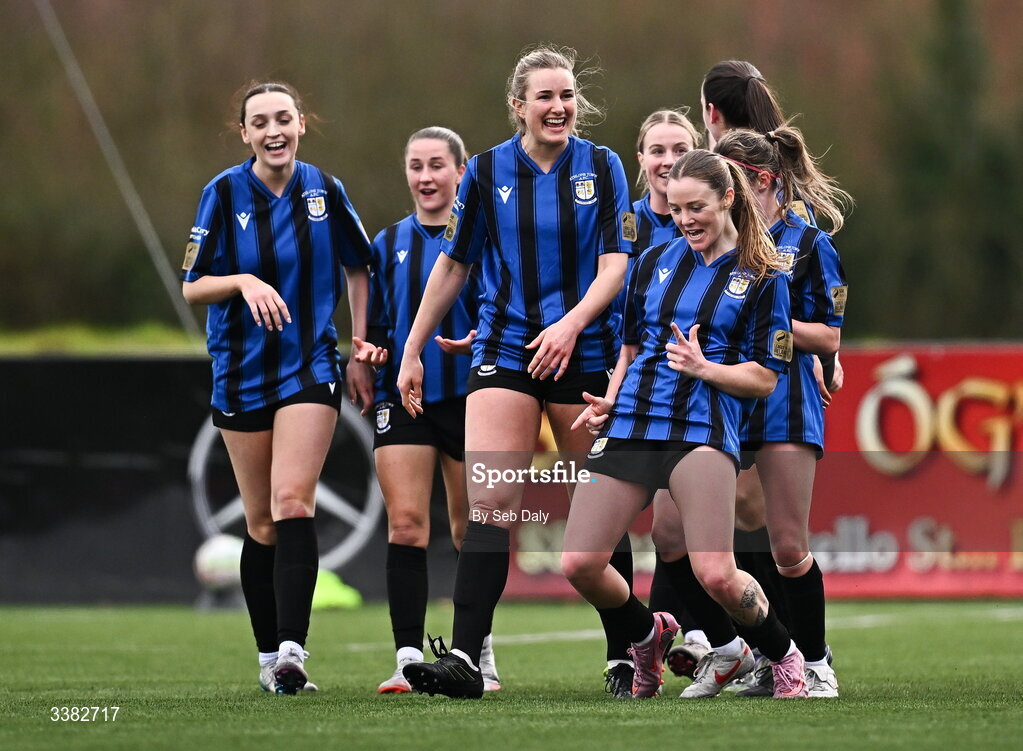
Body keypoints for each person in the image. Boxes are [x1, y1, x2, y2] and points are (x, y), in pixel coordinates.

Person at [395, 45, 633, 699]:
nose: (558, 107)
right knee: (491, 503)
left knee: (597, 504)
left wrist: (571, 322)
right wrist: (412, 347)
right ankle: (467, 659)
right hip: (503, 350)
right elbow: (453, 264)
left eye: (566, 96)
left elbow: (616, 265)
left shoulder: (603, 166)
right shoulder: (486, 171)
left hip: (581, 351)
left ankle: (624, 654)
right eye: (544, 97)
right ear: (517, 106)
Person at [562, 148, 809, 699]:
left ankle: (783, 654)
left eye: (696, 207)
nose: (686, 220)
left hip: (702, 428)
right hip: (631, 423)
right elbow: (631, 347)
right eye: (676, 210)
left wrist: (706, 368)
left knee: (716, 575)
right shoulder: (652, 261)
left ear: (727, 199)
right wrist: (611, 398)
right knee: (579, 562)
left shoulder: (766, 276)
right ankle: (647, 634)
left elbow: (766, 378)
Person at [181, 81, 374, 695]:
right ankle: (269, 659)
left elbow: (358, 265)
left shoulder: (325, 188)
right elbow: (192, 285)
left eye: (284, 118)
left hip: (310, 365)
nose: (274, 130)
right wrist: (241, 280)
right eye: (260, 121)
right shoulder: (222, 193)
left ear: (300, 125)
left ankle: (293, 650)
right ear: (245, 134)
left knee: (293, 502)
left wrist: (361, 342)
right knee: (261, 522)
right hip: (239, 371)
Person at [352, 127, 499, 694]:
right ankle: (407, 657)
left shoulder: (484, 241)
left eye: (438, 165)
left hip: (471, 399)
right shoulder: (388, 243)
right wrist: (370, 352)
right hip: (403, 399)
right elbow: (380, 328)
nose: (426, 177)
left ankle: (476, 651)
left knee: (469, 530)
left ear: (461, 173)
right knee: (407, 525)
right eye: (416, 166)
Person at [711, 126, 849, 698]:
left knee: (788, 544)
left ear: (761, 180)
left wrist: (771, 321)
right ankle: (776, 657)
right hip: (729, 402)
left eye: (730, 180)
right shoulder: (717, 245)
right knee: (745, 535)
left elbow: (829, 337)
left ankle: (817, 664)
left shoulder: (808, 243)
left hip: (787, 401)